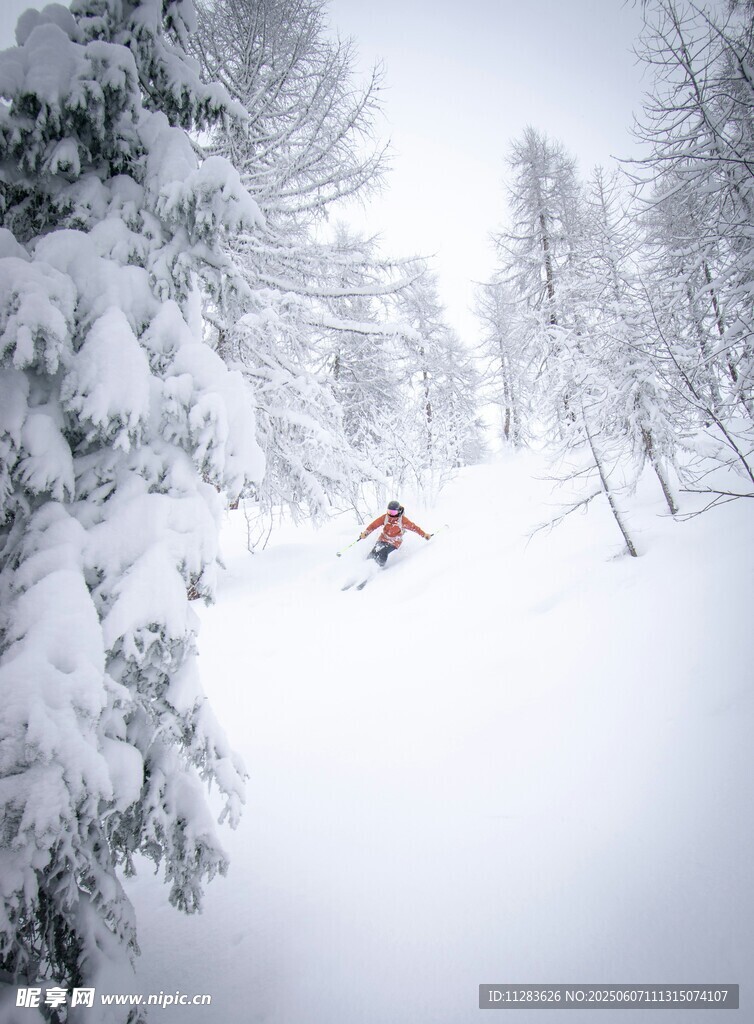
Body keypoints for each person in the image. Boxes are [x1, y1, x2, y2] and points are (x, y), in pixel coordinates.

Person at [358, 500, 432, 567]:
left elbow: (414, 528)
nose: (391, 514)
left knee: (383, 552)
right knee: (374, 552)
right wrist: (366, 533)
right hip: (383, 538)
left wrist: (424, 534)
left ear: (398, 511)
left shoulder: (402, 520)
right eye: (389, 512)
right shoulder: (385, 518)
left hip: (395, 541)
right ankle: (364, 567)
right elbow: (373, 525)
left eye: (394, 512)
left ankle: (377, 568)